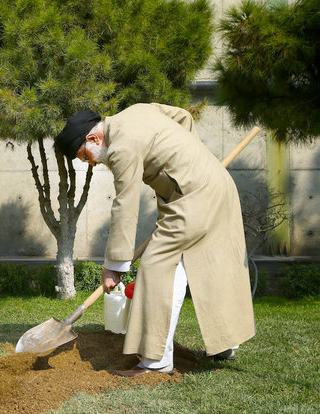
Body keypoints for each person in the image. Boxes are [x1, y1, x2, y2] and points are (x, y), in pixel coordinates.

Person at [54, 103, 256, 377]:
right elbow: (183, 117)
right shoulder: (136, 111)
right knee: (208, 263)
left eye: (84, 156)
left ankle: (155, 361)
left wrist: (114, 264)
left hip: (194, 195)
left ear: (93, 139)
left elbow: (125, 204)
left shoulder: (120, 147)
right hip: (213, 184)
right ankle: (224, 345)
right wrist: (189, 161)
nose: (90, 162)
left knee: (158, 265)